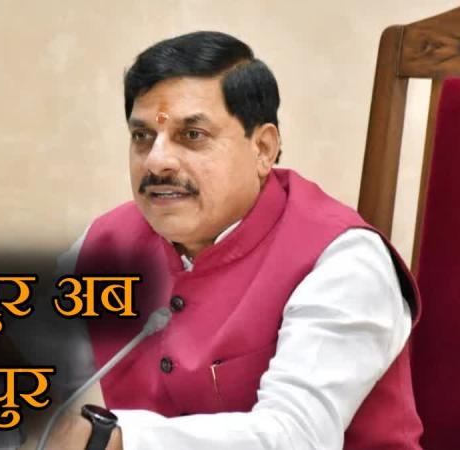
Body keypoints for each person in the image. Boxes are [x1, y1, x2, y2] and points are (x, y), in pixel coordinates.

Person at [44, 31, 422, 450]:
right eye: (142, 136)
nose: (157, 161)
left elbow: (296, 438)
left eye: (192, 135)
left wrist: (110, 439)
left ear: (263, 148)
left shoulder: (342, 260)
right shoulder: (107, 244)